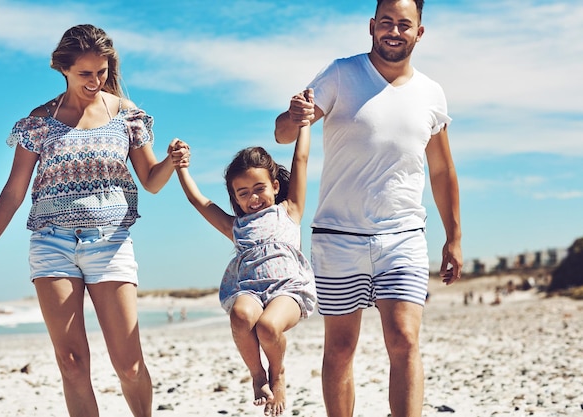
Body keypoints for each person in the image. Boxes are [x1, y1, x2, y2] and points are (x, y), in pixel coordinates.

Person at [0, 24, 189, 417]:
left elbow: (150, 181)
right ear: (63, 68)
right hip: (51, 244)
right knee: (71, 365)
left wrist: (172, 161)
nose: (96, 81)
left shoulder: (127, 115)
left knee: (129, 366)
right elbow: (13, 192)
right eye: (85, 73)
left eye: (101, 71)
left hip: (111, 244)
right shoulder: (40, 122)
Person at [274, 1, 463, 416]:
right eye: (387, 23)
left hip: (403, 236)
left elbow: (443, 172)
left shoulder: (431, 93)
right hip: (338, 239)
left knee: (405, 339)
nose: (394, 32)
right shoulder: (341, 73)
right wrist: (293, 115)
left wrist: (454, 237)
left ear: (419, 32)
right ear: (372, 26)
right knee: (340, 347)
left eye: (404, 25)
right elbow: (284, 133)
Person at [173, 122, 316, 416]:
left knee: (267, 327)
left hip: (288, 291)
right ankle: (257, 374)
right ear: (235, 198)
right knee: (240, 316)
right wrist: (181, 167)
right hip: (251, 291)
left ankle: (277, 377)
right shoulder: (235, 226)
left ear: (275, 186)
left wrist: (304, 124)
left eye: (259, 188)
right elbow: (198, 200)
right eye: (243, 193)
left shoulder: (289, 210)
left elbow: (300, 160)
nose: (253, 198)